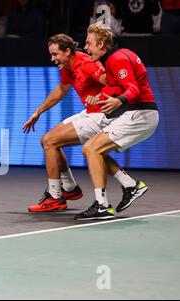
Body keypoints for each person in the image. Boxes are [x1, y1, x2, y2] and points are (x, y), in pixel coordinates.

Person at [23, 34, 141, 214]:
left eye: (55, 54)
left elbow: (112, 81)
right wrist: (39, 111)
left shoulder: (87, 64)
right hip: (90, 112)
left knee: (50, 141)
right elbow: (62, 89)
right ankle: (73, 188)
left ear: (68, 51)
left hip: (101, 115)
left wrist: (105, 98)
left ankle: (56, 197)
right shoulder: (67, 65)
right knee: (50, 141)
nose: (52, 59)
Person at [77, 22, 159, 220]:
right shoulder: (116, 56)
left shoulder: (117, 59)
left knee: (91, 149)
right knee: (94, 150)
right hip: (139, 113)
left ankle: (102, 205)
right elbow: (115, 86)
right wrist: (99, 97)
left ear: (102, 44)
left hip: (141, 114)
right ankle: (131, 186)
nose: (86, 48)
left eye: (89, 44)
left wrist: (119, 100)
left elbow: (132, 88)